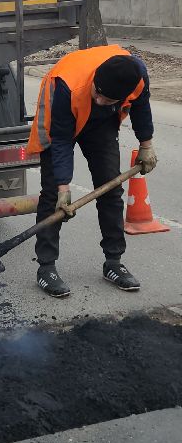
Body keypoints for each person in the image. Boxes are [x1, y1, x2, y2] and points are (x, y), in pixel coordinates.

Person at [27, 45, 157, 298]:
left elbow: (141, 108)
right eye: (98, 93)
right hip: (62, 118)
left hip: (101, 124)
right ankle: (46, 267)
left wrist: (146, 144)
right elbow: (61, 139)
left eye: (107, 100)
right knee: (53, 195)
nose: (99, 100)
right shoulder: (66, 84)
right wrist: (63, 188)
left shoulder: (136, 76)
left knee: (110, 189)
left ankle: (114, 262)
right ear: (96, 79)